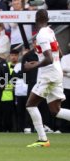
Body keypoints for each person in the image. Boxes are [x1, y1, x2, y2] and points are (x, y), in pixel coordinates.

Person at [24, 9, 70, 147]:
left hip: (48, 75)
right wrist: (40, 61)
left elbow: (49, 59)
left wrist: (33, 66)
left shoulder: (41, 35)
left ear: (36, 19)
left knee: (30, 105)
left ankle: (43, 139)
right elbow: (59, 55)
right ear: (48, 19)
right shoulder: (50, 32)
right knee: (56, 110)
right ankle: (43, 139)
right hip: (56, 72)